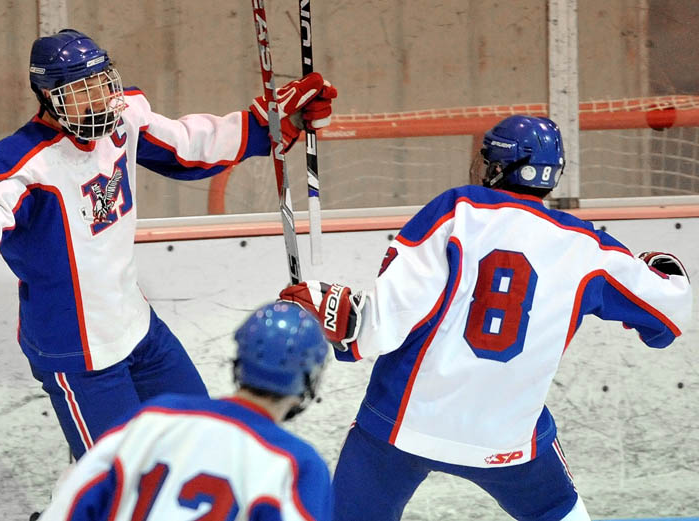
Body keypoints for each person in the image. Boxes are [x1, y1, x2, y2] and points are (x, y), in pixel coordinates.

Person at [0, 28, 337, 460]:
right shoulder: (21, 161)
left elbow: (189, 147)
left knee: (199, 446)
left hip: (138, 328)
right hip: (77, 353)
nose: (97, 98)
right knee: (118, 483)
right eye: (80, 91)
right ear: (48, 97)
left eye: (101, 83)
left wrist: (267, 125)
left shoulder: (125, 117)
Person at [279, 115, 693, 521]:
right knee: (556, 509)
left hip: (401, 427)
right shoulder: (588, 247)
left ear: (498, 165)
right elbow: (669, 312)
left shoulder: (458, 209)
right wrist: (662, 266)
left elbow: (382, 320)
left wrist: (344, 317)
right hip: (506, 439)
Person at [39, 301, 332, 521]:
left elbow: (69, 506)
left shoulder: (153, 419)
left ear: (238, 362)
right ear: (309, 380)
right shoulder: (296, 465)